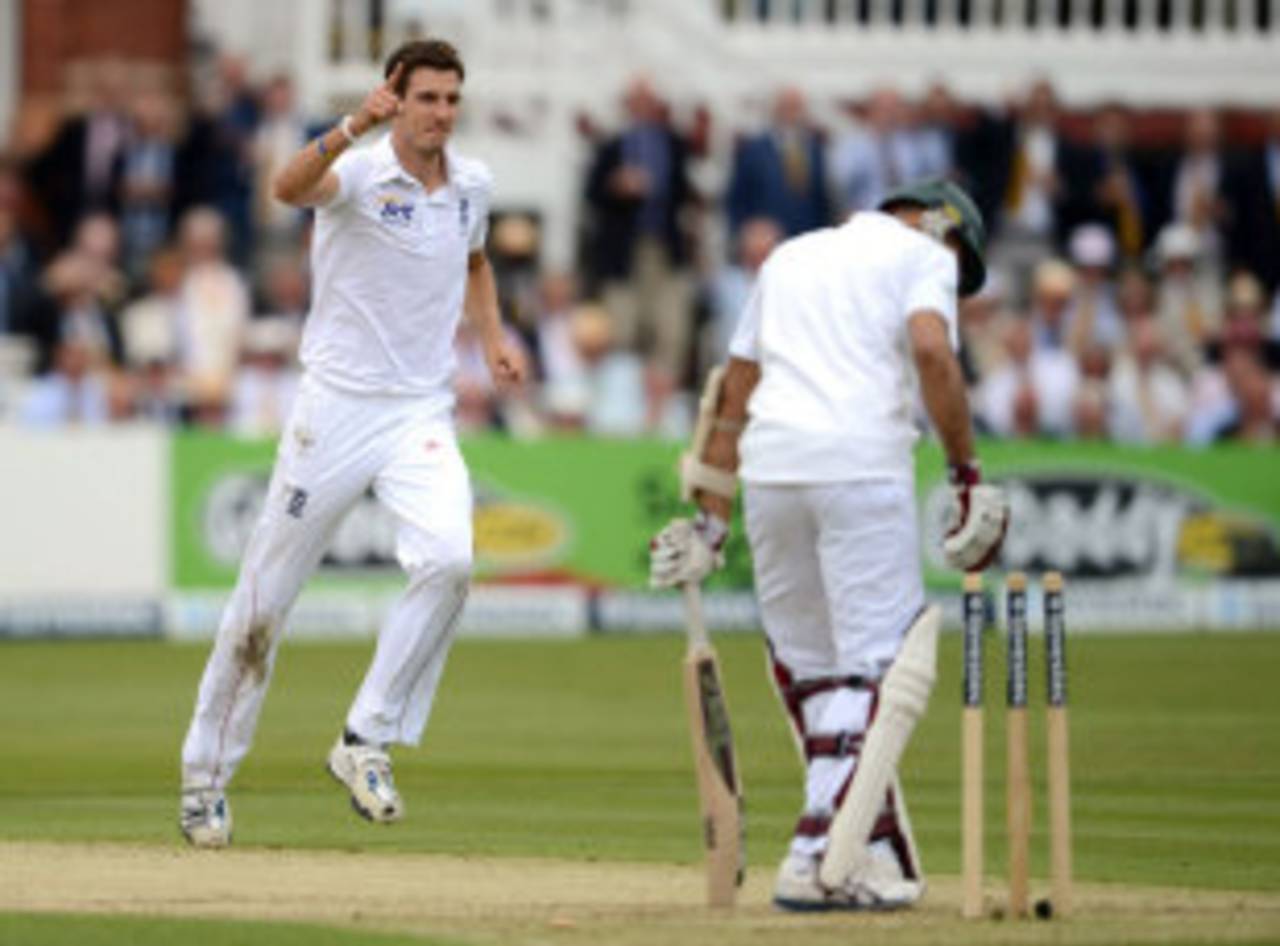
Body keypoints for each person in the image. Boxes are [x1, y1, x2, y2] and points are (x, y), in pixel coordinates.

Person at [178, 39, 525, 848]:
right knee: (263, 602)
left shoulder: (472, 183)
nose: (440, 113)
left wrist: (494, 340)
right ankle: (204, 778)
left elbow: (475, 264)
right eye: (426, 98)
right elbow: (285, 186)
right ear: (395, 100)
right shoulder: (362, 170)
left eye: (450, 99)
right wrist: (345, 128)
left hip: (419, 413)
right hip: (333, 410)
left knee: (450, 561)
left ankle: (365, 737)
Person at [650, 179, 1008, 910]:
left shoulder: (791, 256)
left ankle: (870, 855)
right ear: (944, 228)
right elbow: (933, 354)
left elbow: (732, 396)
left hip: (774, 474)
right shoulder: (923, 252)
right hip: (859, 467)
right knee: (882, 666)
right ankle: (815, 854)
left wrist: (711, 523)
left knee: (815, 674)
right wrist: (967, 474)